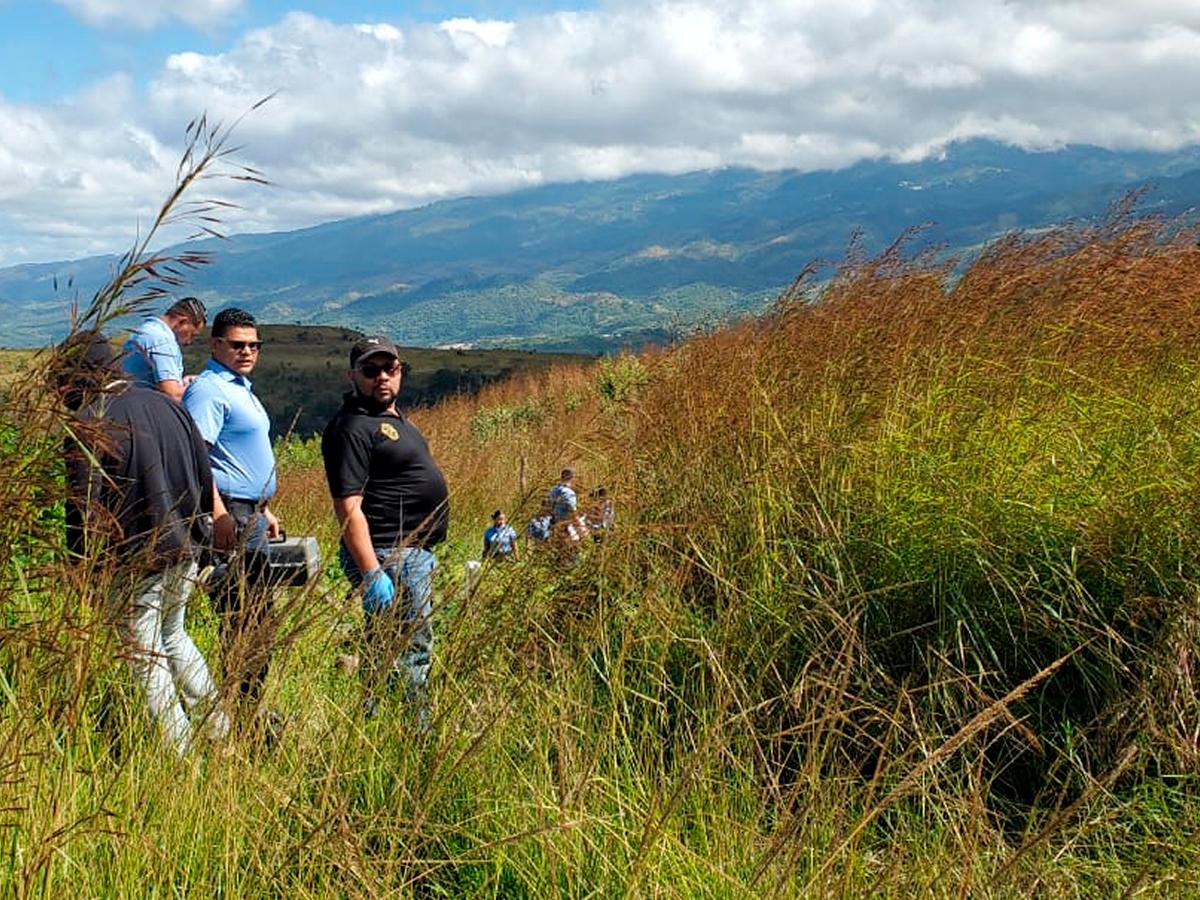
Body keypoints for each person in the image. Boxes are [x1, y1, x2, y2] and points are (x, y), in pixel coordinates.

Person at [60, 331, 228, 754]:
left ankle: (181, 756)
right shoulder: (167, 406)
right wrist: (201, 540)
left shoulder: (90, 422)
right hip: (186, 547)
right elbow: (203, 476)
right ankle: (219, 734)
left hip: (137, 556)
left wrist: (83, 570)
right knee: (176, 635)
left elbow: (84, 508)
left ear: (80, 375)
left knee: (144, 652)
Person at [321, 335, 449, 726]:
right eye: (370, 370)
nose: (382, 377)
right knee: (413, 649)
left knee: (383, 649)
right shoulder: (352, 428)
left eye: (390, 369)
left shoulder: (392, 419)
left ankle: (371, 727)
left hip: (409, 553)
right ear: (352, 376)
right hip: (391, 552)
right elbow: (348, 506)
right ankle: (417, 734)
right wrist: (372, 571)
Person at [182, 307, 282, 726]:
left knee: (258, 620)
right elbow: (195, 458)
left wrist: (263, 507)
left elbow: (236, 456)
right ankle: (238, 718)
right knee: (243, 619)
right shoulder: (209, 391)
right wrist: (219, 512)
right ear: (216, 345)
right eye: (237, 344)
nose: (246, 352)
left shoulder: (240, 388)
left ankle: (247, 711)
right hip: (230, 517)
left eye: (253, 345)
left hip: (250, 514)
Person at [121, 296, 207, 401]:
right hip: (147, 408)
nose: (189, 342)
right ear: (182, 322)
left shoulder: (145, 330)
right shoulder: (161, 341)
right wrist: (204, 388)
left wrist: (182, 383)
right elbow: (172, 394)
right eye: (192, 335)